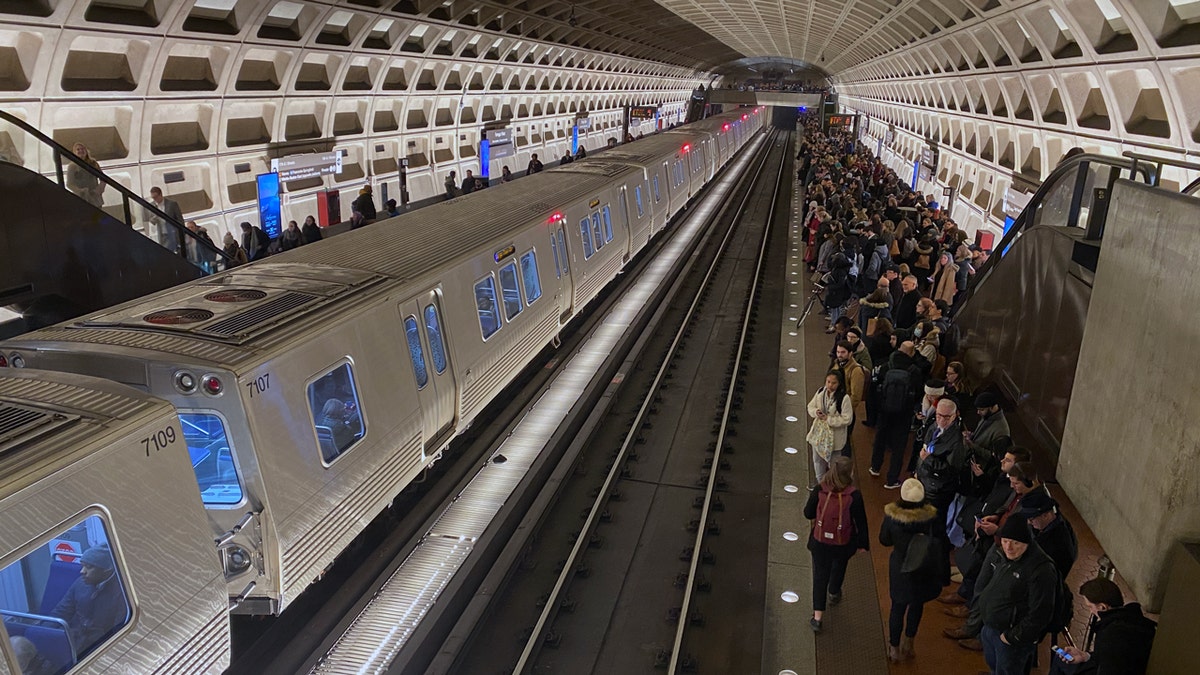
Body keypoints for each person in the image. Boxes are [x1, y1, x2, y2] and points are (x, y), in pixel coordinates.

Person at [974, 515, 1059, 675]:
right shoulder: (1009, 557)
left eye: (1015, 543)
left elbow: (1040, 613)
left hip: (1010, 638)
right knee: (995, 667)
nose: (1009, 547)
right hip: (992, 627)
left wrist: (1012, 637)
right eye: (1005, 541)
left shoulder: (1041, 570)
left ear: (1028, 542)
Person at [880, 478, 948, 662]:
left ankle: (893, 647)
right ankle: (909, 643)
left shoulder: (893, 517)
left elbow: (884, 540)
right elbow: (942, 541)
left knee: (897, 607)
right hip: (924, 568)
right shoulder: (932, 517)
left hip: (901, 567)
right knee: (917, 605)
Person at [803, 456, 869, 634]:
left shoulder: (819, 489)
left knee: (819, 576)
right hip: (843, 543)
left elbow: (808, 513)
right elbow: (861, 522)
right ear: (850, 473)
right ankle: (834, 592)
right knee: (839, 566)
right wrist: (863, 544)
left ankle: (817, 618)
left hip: (820, 542)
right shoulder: (854, 495)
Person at [1056, 578, 1156, 674]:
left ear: (1102, 607)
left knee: (1059, 660)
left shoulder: (1110, 635)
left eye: (1090, 607)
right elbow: (1107, 658)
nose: (1091, 611)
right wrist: (1085, 656)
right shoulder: (1133, 618)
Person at [51, 546, 127, 656]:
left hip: (99, 646)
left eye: (89, 567)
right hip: (73, 638)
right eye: (82, 566)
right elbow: (61, 612)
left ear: (106, 569)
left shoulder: (122, 592)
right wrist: (40, 634)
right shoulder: (80, 583)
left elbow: (118, 632)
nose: (82, 572)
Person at [871, 341, 922, 487]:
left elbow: (877, 387)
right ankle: (892, 479)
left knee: (880, 438)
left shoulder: (887, 365)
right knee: (899, 447)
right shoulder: (914, 370)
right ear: (911, 353)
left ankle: (875, 467)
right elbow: (918, 393)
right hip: (904, 414)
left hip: (885, 411)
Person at [916, 397, 967, 541]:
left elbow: (952, 470)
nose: (941, 420)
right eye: (938, 415)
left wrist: (929, 460)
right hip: (926, 480)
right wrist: (918, 470)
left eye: (946, 417)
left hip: (939, 489)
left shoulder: (956, 441)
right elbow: (924, 449)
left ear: (954, 415)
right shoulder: (934, 426)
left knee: (935, 522)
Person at [807, 370, 853, 483]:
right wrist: (816, 412)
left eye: (834, 383)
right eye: (828, 382)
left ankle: (832, 486)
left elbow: (847, 419)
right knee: (817, 461)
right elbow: (810, 406)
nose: (830, 385)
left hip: (835, 439)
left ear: (839, 384)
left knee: (834, 465)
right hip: (819, 435)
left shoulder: (844, 398)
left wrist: (829, 420)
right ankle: (820, 484)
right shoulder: (820, 392)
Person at [146, 186, 184, 254]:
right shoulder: (152, 205)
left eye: (155, 197)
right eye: (153, 197)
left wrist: (180, 233)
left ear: (160, 195)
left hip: (172, 233)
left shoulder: (172, 204)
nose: (154, 199)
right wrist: (154, 219)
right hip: (161, 234)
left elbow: (180, 219)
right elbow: (151, 221)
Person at [66, 142, 105, 207]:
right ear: (74, 152)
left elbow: (103, 179)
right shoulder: (72, 166)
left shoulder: (93, 163)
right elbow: (69, 184)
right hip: (80, 199)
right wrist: (80, 191)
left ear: (86, 151)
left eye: (82, 149)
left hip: (95, 199)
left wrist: (98, 190)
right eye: (78, 149)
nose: (80, 151)